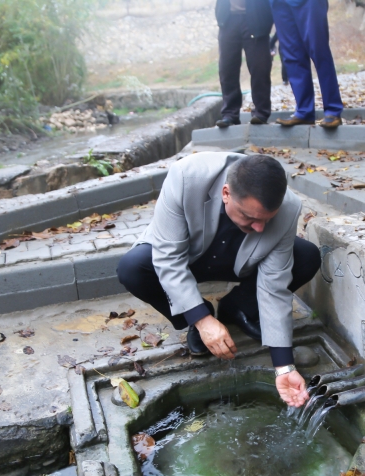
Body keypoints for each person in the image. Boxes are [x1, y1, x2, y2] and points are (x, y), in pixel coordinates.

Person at [117, 152, 321, 408]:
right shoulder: (185, 177)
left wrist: (283, 366)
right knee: (131, 268)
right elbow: (168, 260)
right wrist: (202, 320)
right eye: (250, 217)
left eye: (266, 221)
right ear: (226, 193)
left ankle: (237, 308)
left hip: (240, 260)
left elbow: (275, 285)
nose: (260, 228)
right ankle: (195, 314)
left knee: (307, 256)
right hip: (188, 255)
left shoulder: (288, 207)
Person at [271, 0, 344, 128]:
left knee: (319, 50)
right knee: (292, 56)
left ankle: (333, 110)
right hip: (279, 3)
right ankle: (304, 111)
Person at [214, 0, 274, 127]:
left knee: (260, 68)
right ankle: (230, 114)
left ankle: (261, 113)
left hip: (255, 19)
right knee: (227, 68)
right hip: (228, 19)